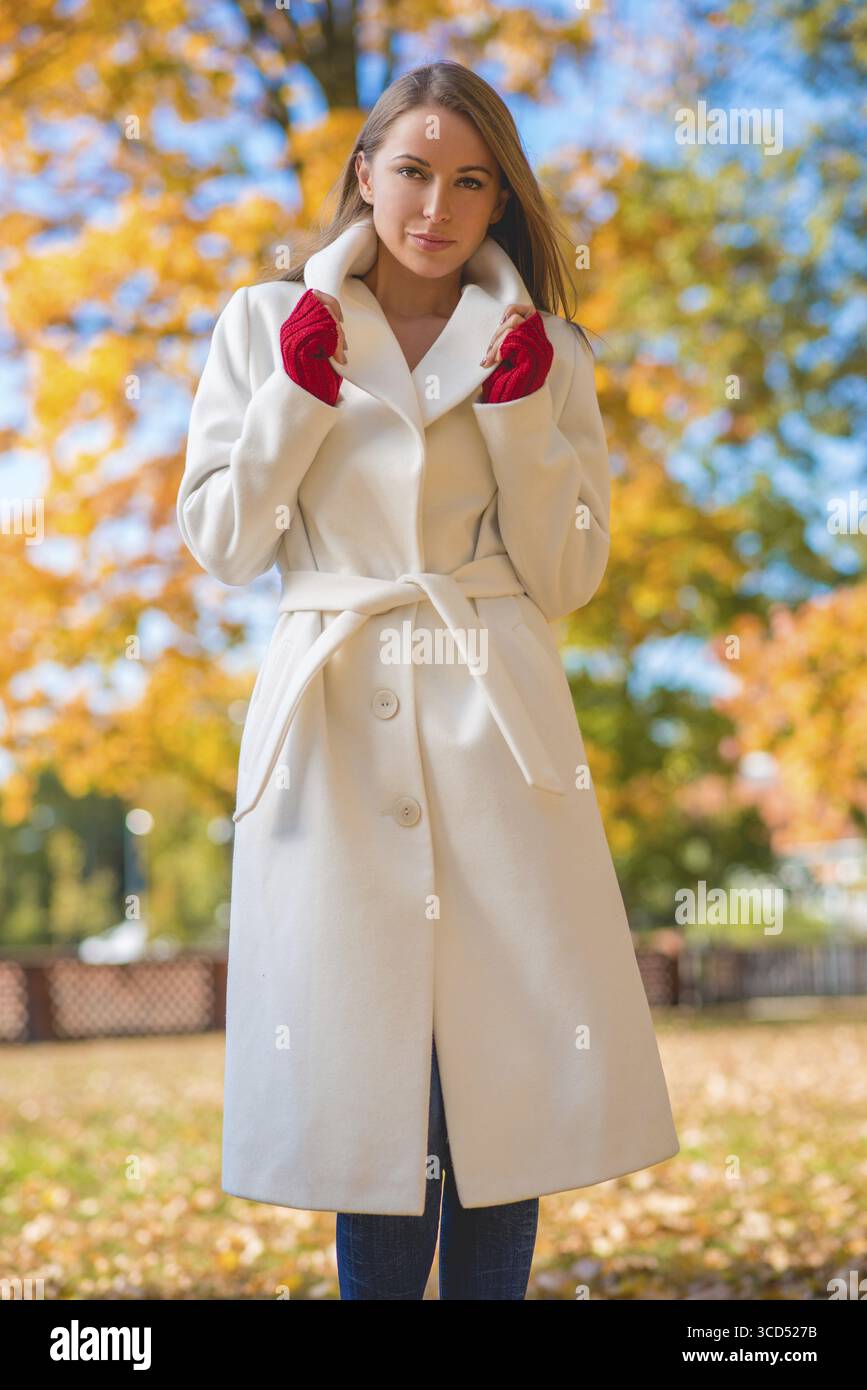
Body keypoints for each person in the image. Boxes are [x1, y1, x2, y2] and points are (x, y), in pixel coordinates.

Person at [177, 58, 679, 1301]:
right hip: (336, 723)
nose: (436, 207)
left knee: (500, 1089)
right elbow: (226, 543)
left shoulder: (545, 348)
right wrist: (293, 397)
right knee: (371, 1100)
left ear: (500, 198)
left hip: (493, 727)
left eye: (471, 181)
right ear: (365, 173)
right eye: (411, 171)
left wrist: (519, 420)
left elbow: (566, 575)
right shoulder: (260, 323)